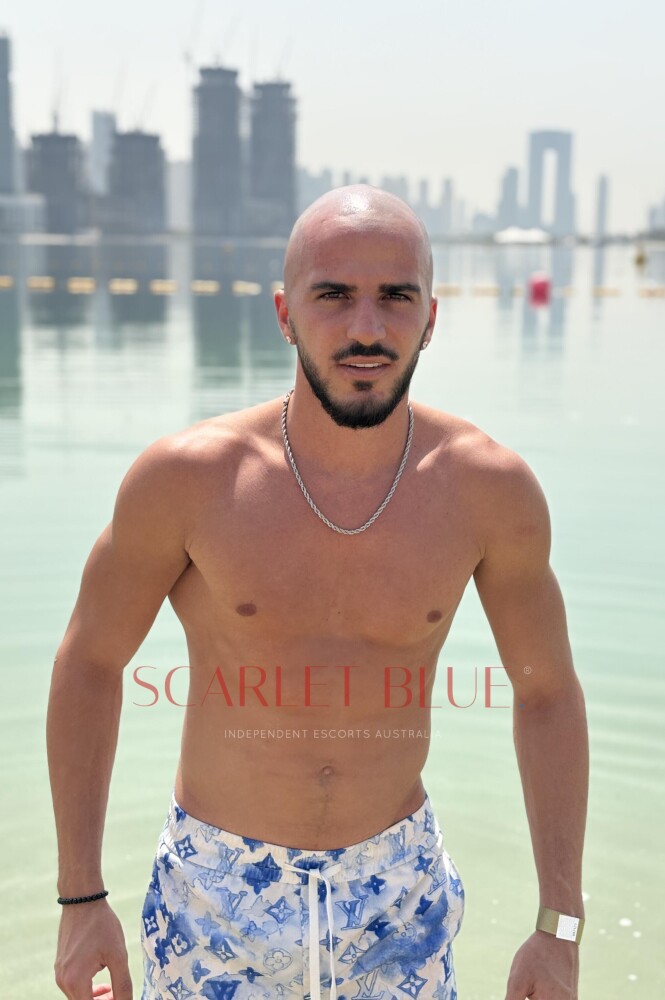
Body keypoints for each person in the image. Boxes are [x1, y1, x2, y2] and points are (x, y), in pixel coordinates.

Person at [47, 185, 588, 1000]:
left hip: (398, 898)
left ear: (430, 317)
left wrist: (559, 925)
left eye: (395, 296)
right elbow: (90, 662)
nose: (366, 327)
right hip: (214, 896)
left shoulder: (486, 490)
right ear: (284, 314)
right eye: (332, 295)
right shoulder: (188, 480)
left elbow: (545, 693)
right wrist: (80, 899)